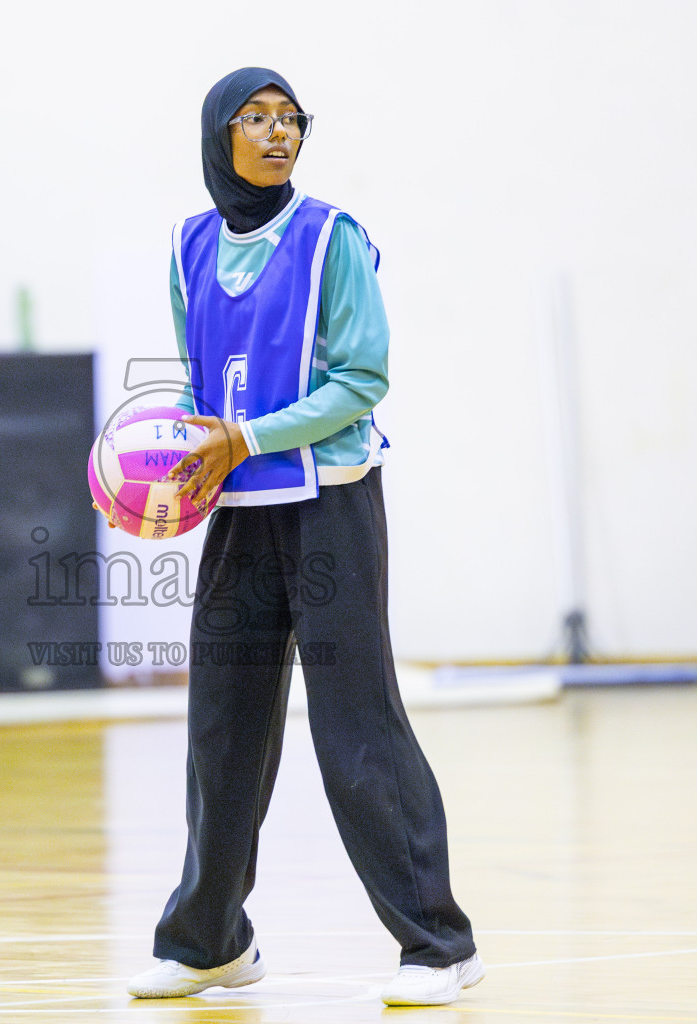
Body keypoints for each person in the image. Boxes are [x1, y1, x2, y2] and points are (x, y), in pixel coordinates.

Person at [123, 69, 483, 1007]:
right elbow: (204, 396)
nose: (279, 135)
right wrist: (175, 476)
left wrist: (249, 437)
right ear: (219, 135)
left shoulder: (334, 240)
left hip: (331, 505)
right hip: (240, 517)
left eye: (292, 121)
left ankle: (438, 943)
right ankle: (208, 940)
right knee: (221, 731)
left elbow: (363, 381)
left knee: (355, 727)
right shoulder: (186, 246)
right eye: (259, 119)